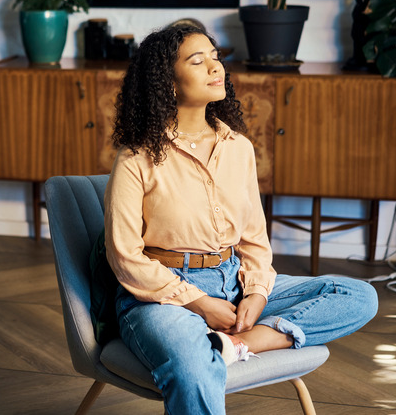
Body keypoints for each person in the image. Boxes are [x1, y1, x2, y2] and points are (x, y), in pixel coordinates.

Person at [103, 23, 378, 414]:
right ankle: (223, 343)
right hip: (161, 298)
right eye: (198, 61)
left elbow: (253, 240)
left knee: (358, 296)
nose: (216, 68)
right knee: (193, 365)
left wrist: (257, 293)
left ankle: (240, 344)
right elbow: (125, 257)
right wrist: (199, 302)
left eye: (216, 58)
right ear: (168, 82)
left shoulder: (239, 148)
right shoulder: (137, 158)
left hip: (234, 282)